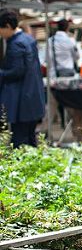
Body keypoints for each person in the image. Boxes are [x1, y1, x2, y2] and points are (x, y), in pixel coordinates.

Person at [0, 8, 46, 147]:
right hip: (33, 98)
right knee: (30, 139)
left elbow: (17, 71)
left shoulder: (16, 44)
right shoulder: (28, 39)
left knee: (20, 142)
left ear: (8, 26)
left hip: (21, 101)